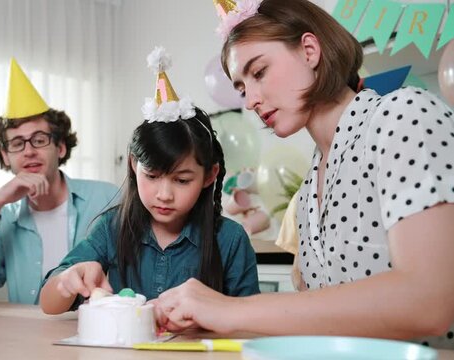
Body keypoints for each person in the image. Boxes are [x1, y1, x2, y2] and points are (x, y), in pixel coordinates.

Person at [156, 0, 454, 348]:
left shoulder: (404, 114)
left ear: (309, 50)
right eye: (241, 89)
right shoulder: (311, 184)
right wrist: (210, 322)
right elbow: (327, 321)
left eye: (259, 72)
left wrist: (231, 310)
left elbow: (430, 301)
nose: (250, 100)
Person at [39, 47, 259, 315]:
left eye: (182, 180)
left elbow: (250, 319)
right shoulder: (112, 228)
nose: (164, 194)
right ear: (134, 165)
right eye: (152, 176)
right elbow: (48, 305)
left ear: (209, 176)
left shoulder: (230, 240)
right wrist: (68, 280)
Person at [0, 58, 119, 304]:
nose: (29, 151)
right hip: (27, 337)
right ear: (5, 156)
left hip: (99, 330)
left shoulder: (108, 198)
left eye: (39, 139)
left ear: (61, 147)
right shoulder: (5, 218)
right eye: (17, 144)